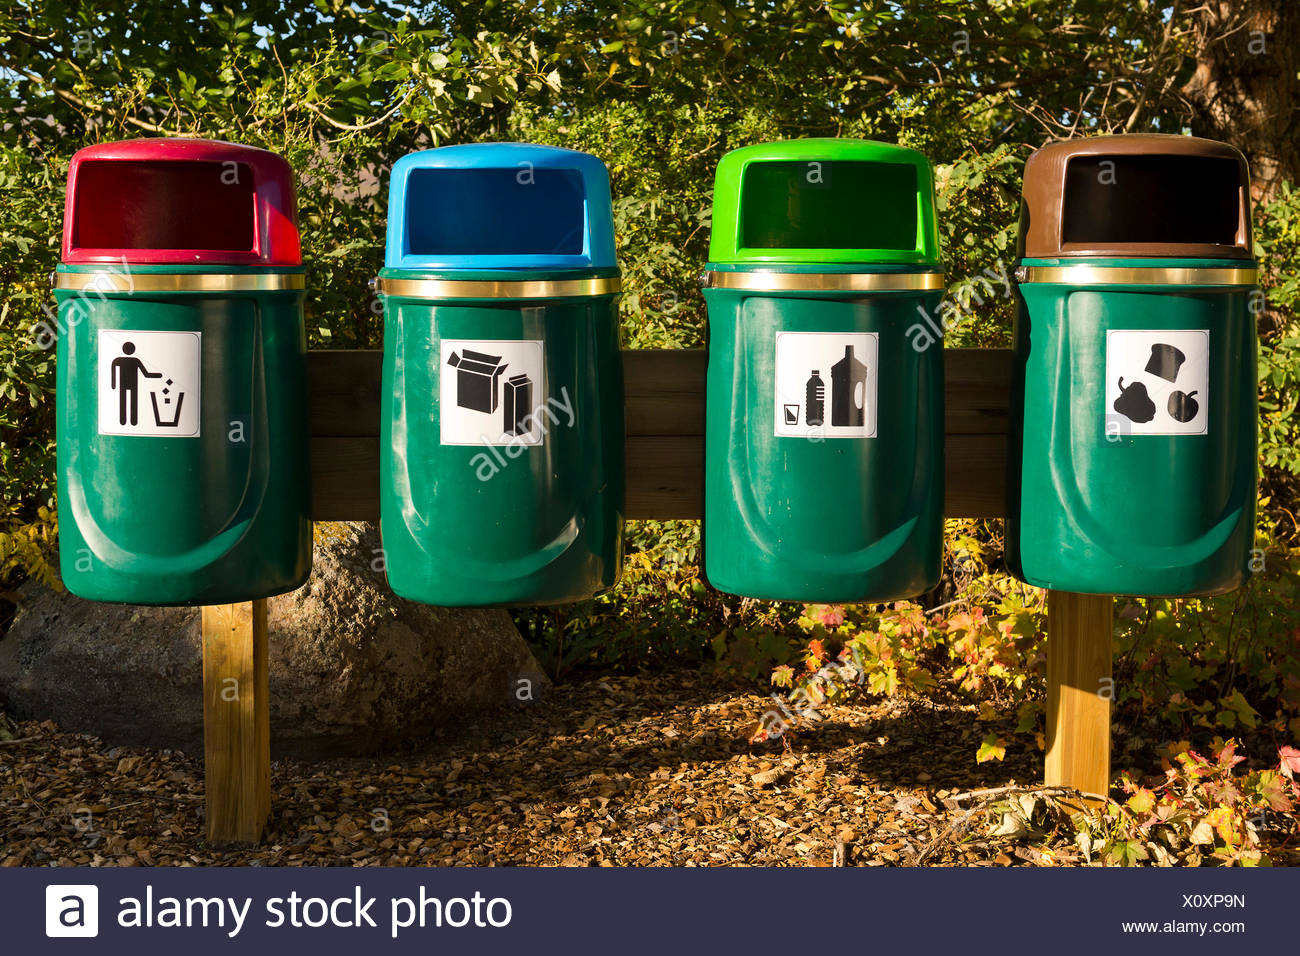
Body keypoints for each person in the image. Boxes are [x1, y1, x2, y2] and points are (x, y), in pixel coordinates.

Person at [110, 342, 163, 426]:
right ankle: (130, 421)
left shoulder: (120, 360)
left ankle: (126, 420)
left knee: (125, 401)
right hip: (131, 384)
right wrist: (157, 375)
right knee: (131, 401)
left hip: (127, 385)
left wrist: (114, 384)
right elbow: (146, 374)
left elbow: (113, 368)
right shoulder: (134, 360)